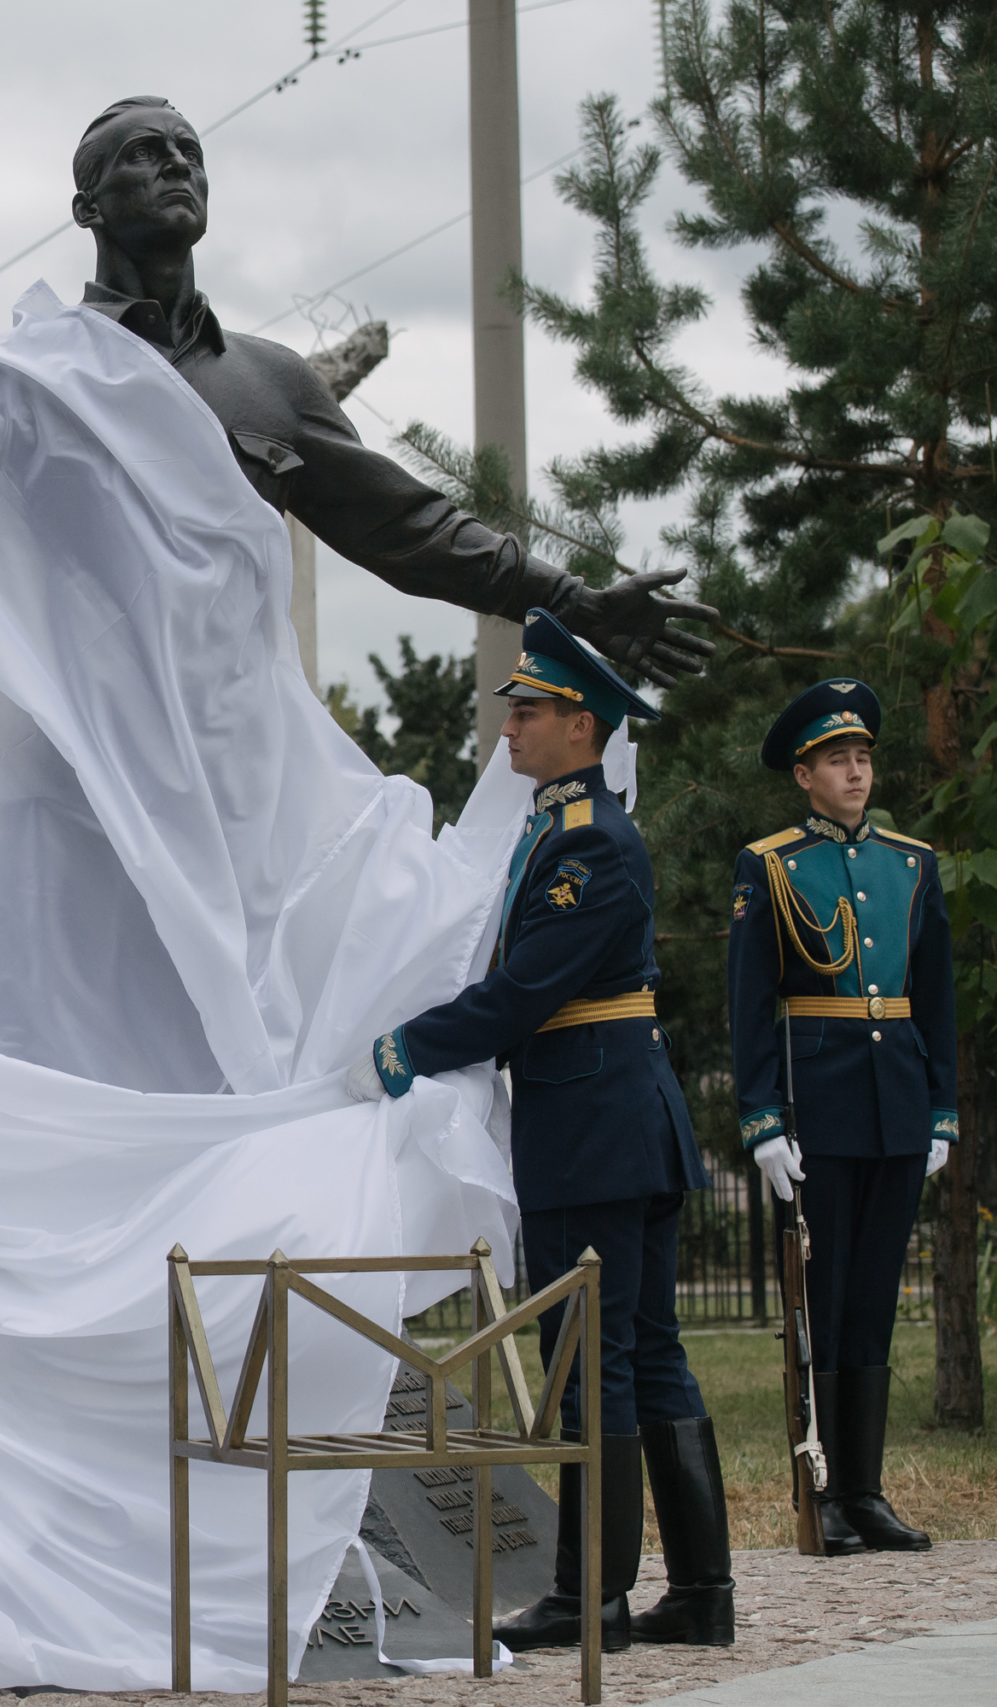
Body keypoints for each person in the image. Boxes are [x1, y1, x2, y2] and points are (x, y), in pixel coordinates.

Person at [0, 97, 722, 692]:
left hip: (225, 748)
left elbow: (406, 525)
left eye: (188, 152)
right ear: (86, 210)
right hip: (68, 749)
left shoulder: (264, 381)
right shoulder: (39, 373)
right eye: (141, 155)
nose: (174, 164)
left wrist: (566, 600)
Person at [350, 611, 728, 1650]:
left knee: (591, 1357)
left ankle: (589, 1595)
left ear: (581, 723)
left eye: (527, 711)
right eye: (511, 710)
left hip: (592, 1125)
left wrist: (409, 1046)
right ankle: (700, 1594)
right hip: (612, 1117)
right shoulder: (559, 833)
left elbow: (523, 993)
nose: (508, 729)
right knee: (645, 1351)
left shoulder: (588, 846)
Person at [729, 679, 952, 1555]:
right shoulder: (772, 864)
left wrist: (941, 1110)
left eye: (861, 757)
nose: (855, 772)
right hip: (818, 1106)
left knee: (872, 1300)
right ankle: (818, 1491)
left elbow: (932, 996)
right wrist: (761, 1117)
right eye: (836, 760)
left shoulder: (911, 862)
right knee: (819, 1298)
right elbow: (752, 1004)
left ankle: (866, 1491)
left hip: (895, 1100)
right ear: (803, 775)